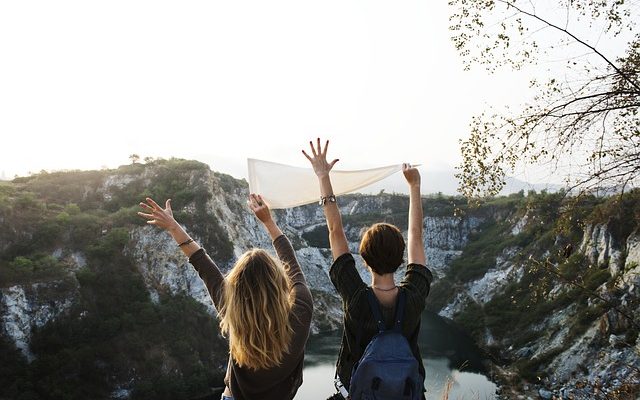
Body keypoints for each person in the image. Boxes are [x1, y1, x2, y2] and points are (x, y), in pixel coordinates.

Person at [137, 194, 313, 400]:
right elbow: (291, 263)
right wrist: (268, 221)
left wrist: (173, 227)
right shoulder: (301, 309)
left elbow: (201, 263)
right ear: (279, 281)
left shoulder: (231, 307)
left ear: (236, 285)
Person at [302, 139, 433, 399]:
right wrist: (415, 186)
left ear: (363, 258)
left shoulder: (357, 299)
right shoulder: (414, 297)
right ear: (401, 259)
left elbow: (335, 230)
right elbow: (416, 236)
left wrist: (323, 176)